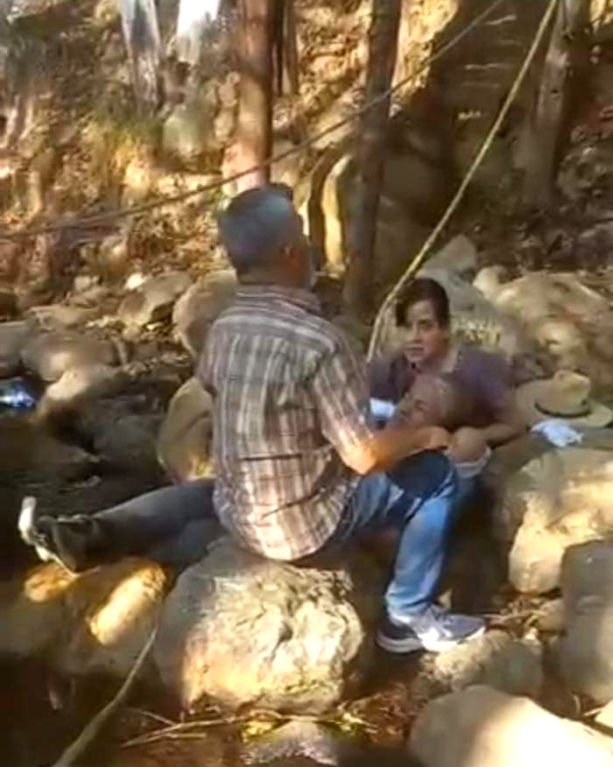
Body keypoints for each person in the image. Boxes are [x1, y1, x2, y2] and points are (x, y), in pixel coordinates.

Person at [20, 186, 486, 654]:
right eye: (304, 236)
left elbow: (222, 393)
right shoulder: (320, 342)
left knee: (195, 497)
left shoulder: (224, 329)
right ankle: (407, 615)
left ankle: (90, 534)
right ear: (288, 253)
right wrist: (423, 434)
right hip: (303, 530)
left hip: (237, 508)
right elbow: (363, 456)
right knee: (439, 477)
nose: (310, 245)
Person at [369, 278, 524, 480]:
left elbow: (515, 425)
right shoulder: (393, 367)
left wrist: (470, 438)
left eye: (425, 327)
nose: (414, 337)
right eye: (406, 327)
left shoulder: (480, 368)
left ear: (445, 328)